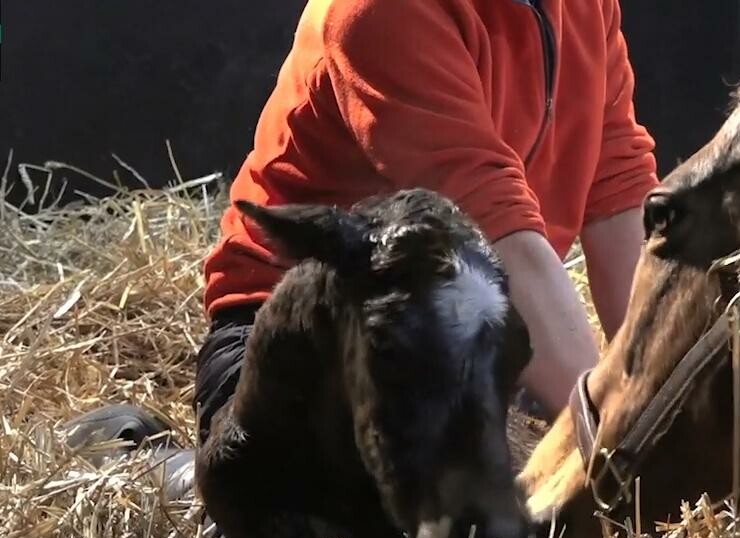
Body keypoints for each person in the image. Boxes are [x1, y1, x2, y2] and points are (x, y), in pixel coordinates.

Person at [194, 0, 659, 441]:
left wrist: (657, 389)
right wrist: (617, 439)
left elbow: (617, 189)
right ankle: (159, 465)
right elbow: (489, 239)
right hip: (301, 338)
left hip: (472, 336)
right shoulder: (385, 9)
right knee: (442, 508)